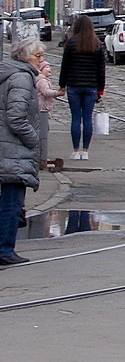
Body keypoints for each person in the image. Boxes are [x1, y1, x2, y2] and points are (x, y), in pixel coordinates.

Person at [1, 37, 42, 264]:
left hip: (6, 146)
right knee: (12, 200)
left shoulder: (9, 73)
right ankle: (5, 249)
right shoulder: (21, 78)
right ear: (25, 57)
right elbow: (16, 118)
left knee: (9, 198)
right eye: (38, 56)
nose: (41, 60)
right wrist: (34, 140)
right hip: (13, 149)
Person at [59, 15, 106, 162]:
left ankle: (75, 150)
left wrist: (62, 85)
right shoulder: (97, 45)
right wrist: (100, 90)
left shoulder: (71, 44)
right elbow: (101, 70)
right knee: (87, 118)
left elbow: (64, 66)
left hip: (74, 86)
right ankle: (85, 151)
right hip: (91, 87)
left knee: (75, 118)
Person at [33, 47, 64, 170]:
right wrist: (57, 93)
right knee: (43, 131)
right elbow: (46, 92)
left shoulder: (41, 79)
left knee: (43, 130)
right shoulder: (42, 81)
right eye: (47, 67)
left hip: (41, 109)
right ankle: (41, 157)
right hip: (42, 109)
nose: (49, 69)